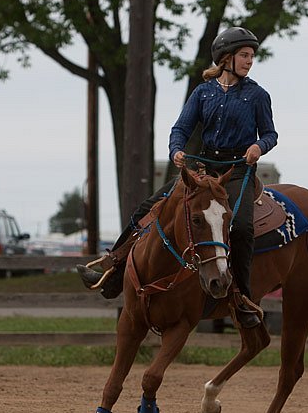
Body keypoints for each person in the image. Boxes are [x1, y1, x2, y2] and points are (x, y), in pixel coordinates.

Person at [77, 26, 278, 328]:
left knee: (242, 229)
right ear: (226, 58)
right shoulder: (203, 93)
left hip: (236, 173)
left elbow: (271, 134)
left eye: (251, 56)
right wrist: (176, 151)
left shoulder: (258, 95)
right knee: (149, 208)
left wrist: (258, 146)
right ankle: (111, 267)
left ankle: (241, 297)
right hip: (203, 170)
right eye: (245, 55)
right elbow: (180, 129)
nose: (250, 61)